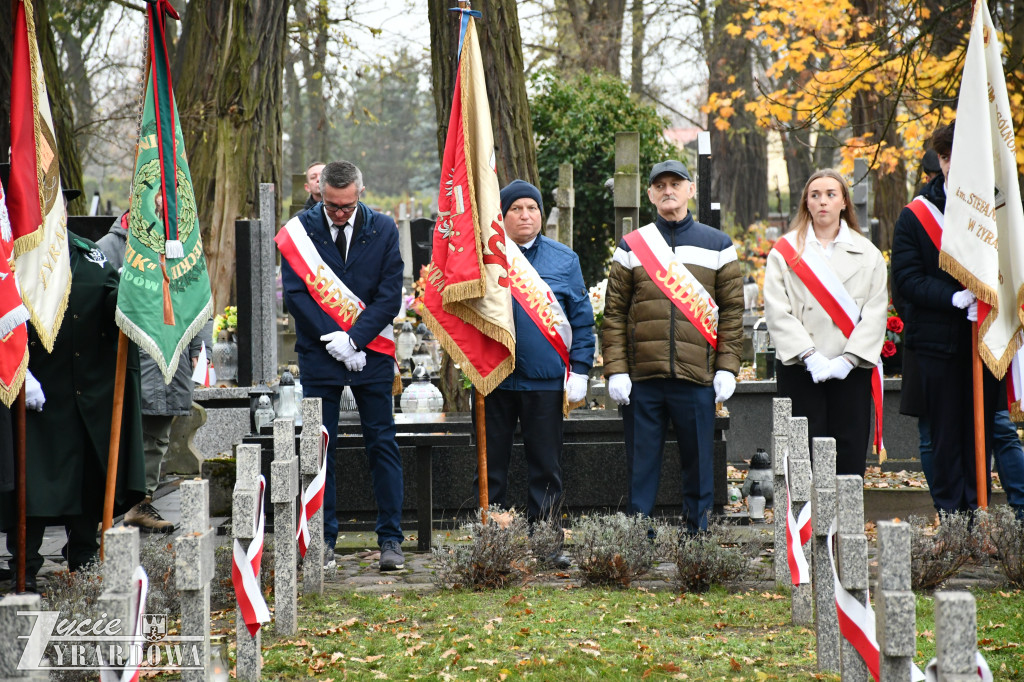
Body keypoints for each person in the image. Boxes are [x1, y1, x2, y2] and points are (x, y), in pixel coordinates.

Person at [0, 231, 147, 592]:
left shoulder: (88, 252)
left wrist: (129, 288)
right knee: (32, 489)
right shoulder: (13, 250)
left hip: (85, 394)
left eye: (61, 204)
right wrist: (19, 372)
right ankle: (25, 567)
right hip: (36, 393)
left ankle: (84, 558)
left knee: (86, 483)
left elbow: (111, 304)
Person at [602, 160, 744, 533]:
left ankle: (697, 543)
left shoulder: (719, 245)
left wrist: (727, 367)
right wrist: (616, 370)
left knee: (699, 466)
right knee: (640, 468)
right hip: (642, 378)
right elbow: (614, 313)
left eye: (676, 184)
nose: (668, 191)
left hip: (696, 376)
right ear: (651, 194)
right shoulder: (632, 247)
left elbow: (732, 312)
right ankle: (639, 542)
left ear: (690, 190)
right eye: (660, 185)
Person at [278, 160, 406, 571]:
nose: (338, 213)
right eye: (331, 205)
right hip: (320, 353)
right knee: (320, 447)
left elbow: (390, 295)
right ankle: (322, 540)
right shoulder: (301, 230)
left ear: (359, 194)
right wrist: (333, 340)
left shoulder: (383, 229)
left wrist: (354, 340)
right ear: (320, 195)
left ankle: (391, 539)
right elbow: (296, 295)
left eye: (347, 206)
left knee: (382, 443)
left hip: (372, 351)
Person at [893, 127, 1024, 518]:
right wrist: (954, 298)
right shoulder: (915, 216)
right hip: (936, 346)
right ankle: (953, 521)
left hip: (984, 339)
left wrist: (989, 299)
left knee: (979, 437)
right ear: (941, 161)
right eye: (947, 158)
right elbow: (906, 279)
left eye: (962, 157)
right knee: (944, 439)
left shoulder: (999, 211)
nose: (953, 165)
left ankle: (978, 520)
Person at [473, 180, 595, 562]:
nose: (525, 216)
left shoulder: (564, 260)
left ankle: (546, 543)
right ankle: (492, 543)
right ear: (502, 215)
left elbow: (582, 320)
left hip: (544, 382)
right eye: (516, 209)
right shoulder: (484, 257)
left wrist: (580, 369)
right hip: (494, 379)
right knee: (491, 469)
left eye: (532, 208)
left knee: (545, 468)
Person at [764, 169, 888, 476]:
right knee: (801, 452)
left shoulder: (868, 254)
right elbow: (777, 309)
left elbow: (875, 313)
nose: (823, 201)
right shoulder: (784, 251)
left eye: (831, 194)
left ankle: (844, 509)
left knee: (849, 448)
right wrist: (809, 355)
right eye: (815, 195)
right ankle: (805, 510)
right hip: (801, 366)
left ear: (844, 202)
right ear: (806, 202)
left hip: (850, 368)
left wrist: (849, 360)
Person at [97, 210, 213, 532]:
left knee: (157, 435)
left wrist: (201, 351)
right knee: (118, 436)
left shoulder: (182, 246)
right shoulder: (107, 248)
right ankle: (103, 509)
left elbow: (199, 300)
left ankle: (141, 502)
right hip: (126, 361)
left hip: (169, 356)